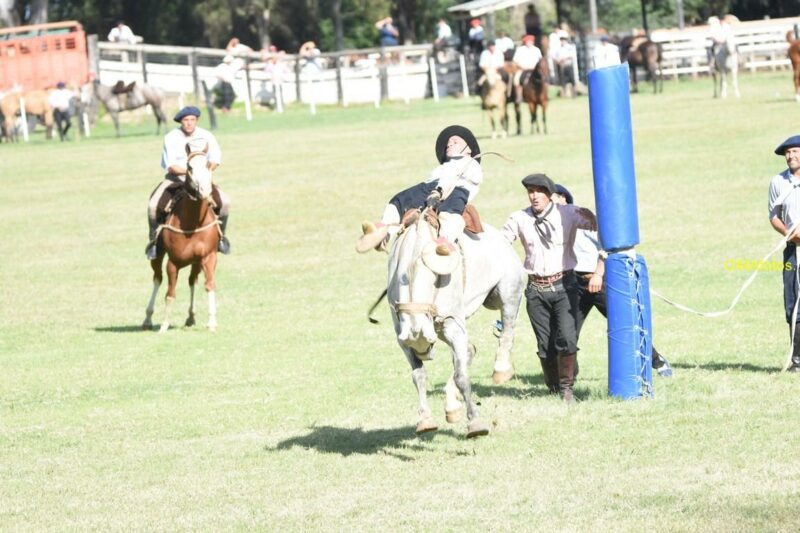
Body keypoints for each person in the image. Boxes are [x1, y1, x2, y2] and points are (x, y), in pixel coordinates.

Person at [551, 184, 673, 384]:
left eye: (551, 197)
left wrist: (598, 274)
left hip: (598, 281)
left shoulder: (582, 217)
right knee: (566, 331)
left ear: (563, 198)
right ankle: (569, 375)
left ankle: (657, 360)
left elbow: (606, 245)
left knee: (625, 323)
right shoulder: (551, 224)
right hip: (573, 284)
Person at [501, 174, 596, 402]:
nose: (534, 196)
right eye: (530, 192)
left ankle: (566, 389)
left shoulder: (569, 213)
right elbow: (500, 242)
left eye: (539, 191)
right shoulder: (519, 218)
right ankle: (552, 387)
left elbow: (597, 225)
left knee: (567, 338)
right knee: (545, 344)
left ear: (550, 194)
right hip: (536, 289)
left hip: (565, 286)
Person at [356, 125, 482, 257]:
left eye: (455, 142)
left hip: (457, 189)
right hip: (430, 187)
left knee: (450, 212)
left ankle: (445, 240)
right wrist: (434, 190)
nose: (449, 144)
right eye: (448, 144)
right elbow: (435, 179)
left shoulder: (471, 164)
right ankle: (383, 231)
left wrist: (440, 190)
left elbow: (452, 178)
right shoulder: (443, 167)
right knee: (400, 200)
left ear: (468, 150)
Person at [145, 106, 231, 260]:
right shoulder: (171, 137)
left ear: (197, 120)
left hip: (202, 180)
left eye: (192, 120)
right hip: (176, 180)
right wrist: (191, 172)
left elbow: (215, 159)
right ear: (181, 122)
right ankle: (154, 242)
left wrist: (204, 171)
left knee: (225, 202)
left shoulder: (207, 135)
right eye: (186, 120)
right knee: (153, 205)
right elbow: (171, 165)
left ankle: (221, 238)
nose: (189, 123)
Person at [768, 135, 800, 372]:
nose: (790, 156)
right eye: (788, 153)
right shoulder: (778, 182)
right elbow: (774, 217)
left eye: (795, 151)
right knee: (793, 302)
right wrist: (791, 234)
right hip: (793, 250)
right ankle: (797, 359)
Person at [511, 34, 543, 103]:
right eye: (527, 41)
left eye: (530, 41)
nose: (529, 43)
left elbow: (540, 61)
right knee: (516, 80)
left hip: (534, 70)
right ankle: (519, 96)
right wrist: (521, 66)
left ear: (532, 42)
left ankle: (543, 94)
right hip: (523, 69)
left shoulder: (536, 50)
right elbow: (515, 61)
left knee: (543, 79)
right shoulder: (520, 50)